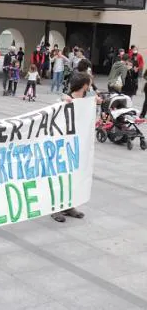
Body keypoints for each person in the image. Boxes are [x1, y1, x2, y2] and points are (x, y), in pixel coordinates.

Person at [51, 73, 88, 222]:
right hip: (62, 144)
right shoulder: (66, 99)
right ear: (83, 85)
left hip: (77, 144)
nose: (90, 86)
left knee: (73, 176)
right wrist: (62, 100)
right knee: (60, 175)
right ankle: (54, 208)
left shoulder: (86, 100)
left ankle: (68, 205)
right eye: (88, 84)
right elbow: (54, 112)